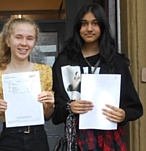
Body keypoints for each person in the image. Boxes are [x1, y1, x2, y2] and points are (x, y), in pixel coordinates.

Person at [52, 3, 143, 151]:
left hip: (111, 138)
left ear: (102, 27)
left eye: (95, 23)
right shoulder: (64, 61)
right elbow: (54, 111)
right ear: (78, 28)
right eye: (84, 24)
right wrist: (70, 106)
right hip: (77, 139)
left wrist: (124, 115)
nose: (89, 29)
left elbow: (135, 107)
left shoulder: (116, 62)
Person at [0, 17, 54, 151]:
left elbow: (47, 115)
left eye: (29, 38)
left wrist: (50, 105)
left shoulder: (44, 72)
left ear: (34, 42)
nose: (24, 43)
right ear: (8, 41)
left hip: (37, 138)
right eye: (19, 37)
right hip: (9, 139)